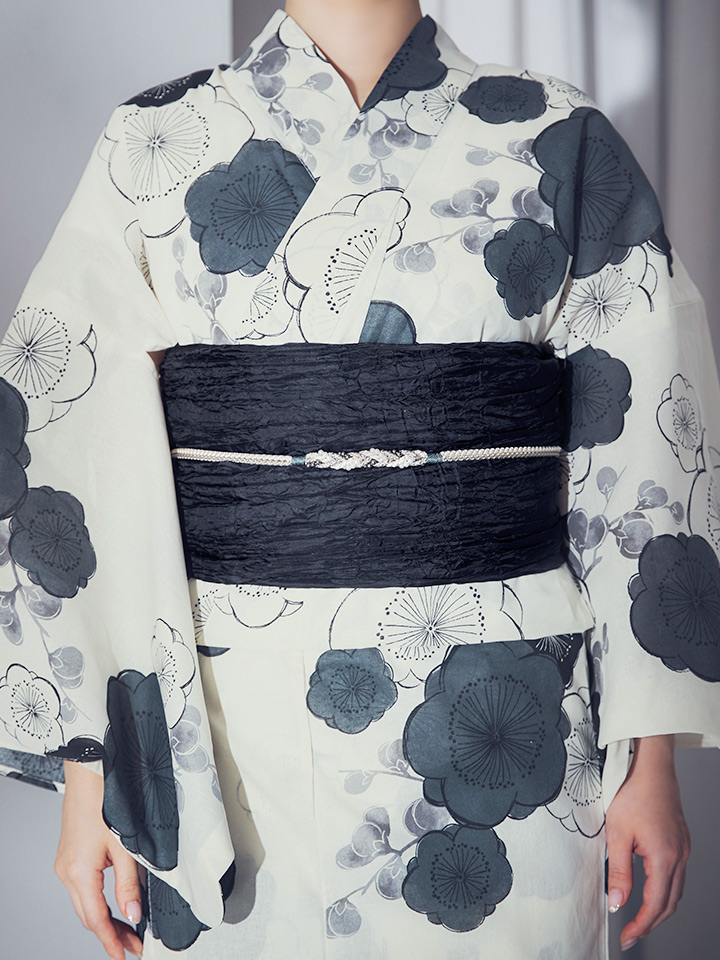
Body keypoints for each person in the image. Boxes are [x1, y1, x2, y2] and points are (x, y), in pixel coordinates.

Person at [0, 0, 717, 957]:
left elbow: (648, 443)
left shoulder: (558, 132)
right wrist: (95, 767)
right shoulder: (156, 138)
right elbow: (69, 431)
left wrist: (649, 760)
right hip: (228, 708)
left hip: (502, 706)